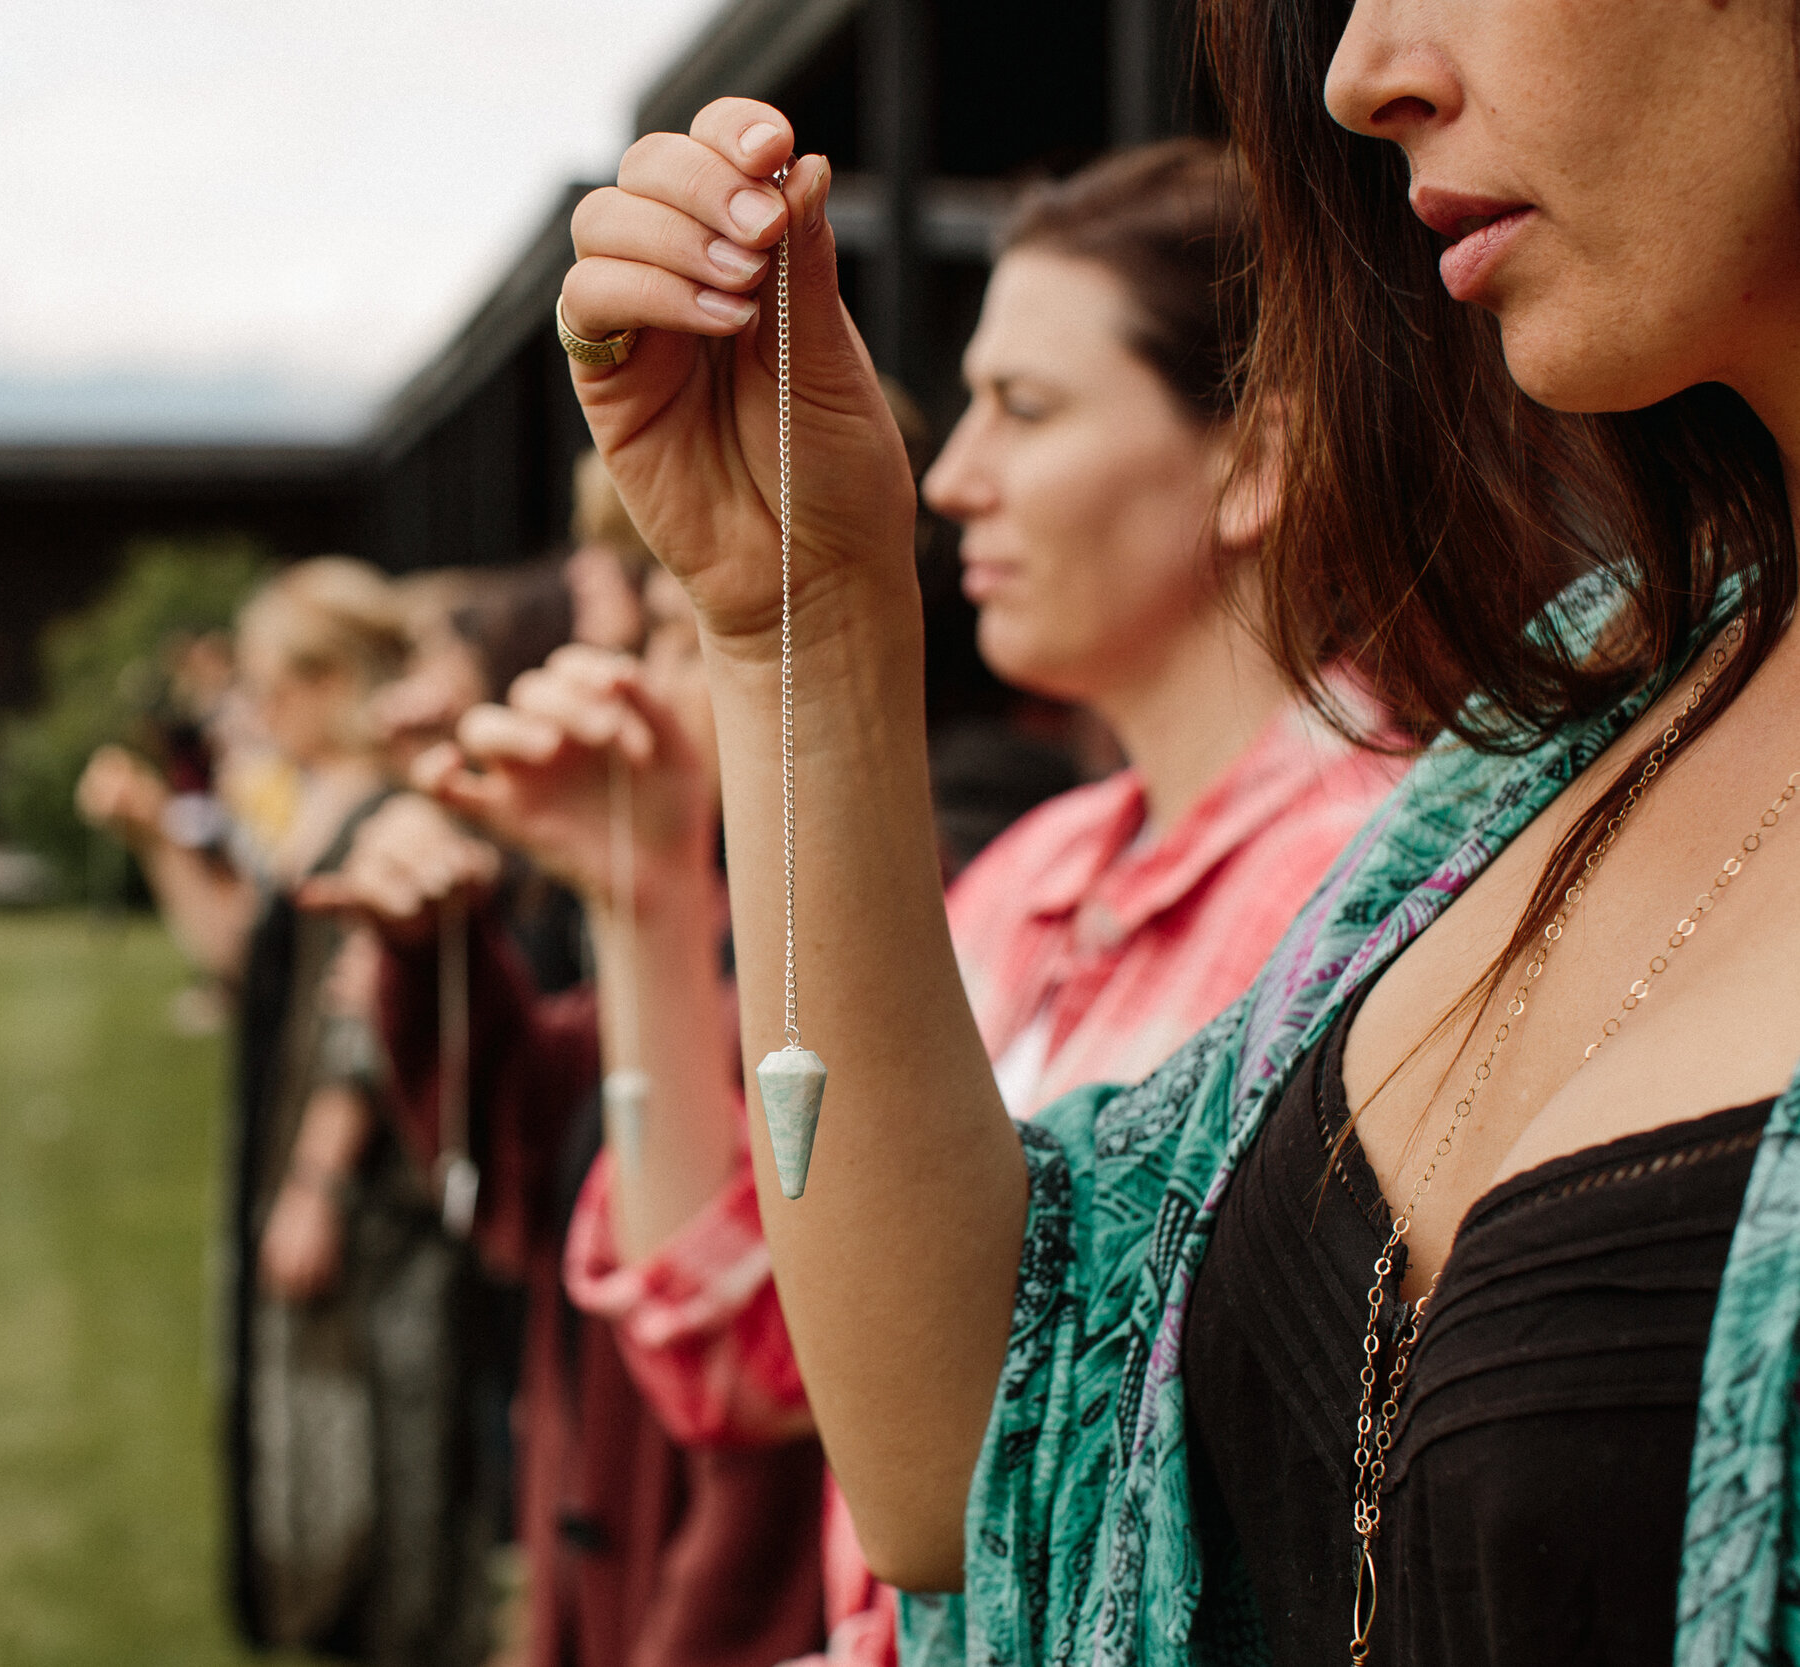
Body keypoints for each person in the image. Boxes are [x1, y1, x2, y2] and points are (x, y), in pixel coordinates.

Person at [552, 16, 1800, 1660]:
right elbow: (991, 1458)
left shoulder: (1398, 792)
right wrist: (799, 628)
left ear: (1249, 460)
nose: (1364, 73)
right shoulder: (1552, 745)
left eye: (1029, 405)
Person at [558, 140, 1402, 1666]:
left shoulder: (1382, 894)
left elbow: (1108, 1501)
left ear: (1259, 460)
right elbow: (760, 1356)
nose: (949, 480)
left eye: (1026, 406)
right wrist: (640, 903)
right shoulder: (1031, 877)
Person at [306, 567, 829, 1667]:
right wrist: (437, 946)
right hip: (599, 1528)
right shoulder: (699, 908)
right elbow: (540, 1110)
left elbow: (788, 1430)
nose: (641, 681)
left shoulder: (834, 951)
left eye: (688, 645)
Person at [80, 556, 492, 1666]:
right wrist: (156, 836)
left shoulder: (389, 810)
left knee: (378, 1448)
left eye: (270, 682)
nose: (255, 711)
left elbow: (364, 1018)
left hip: (367, 1196)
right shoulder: (314, 802)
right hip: (294, 1160)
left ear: (327, 677)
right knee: (308, 1443)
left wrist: (316, 1178)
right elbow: (239, 956)